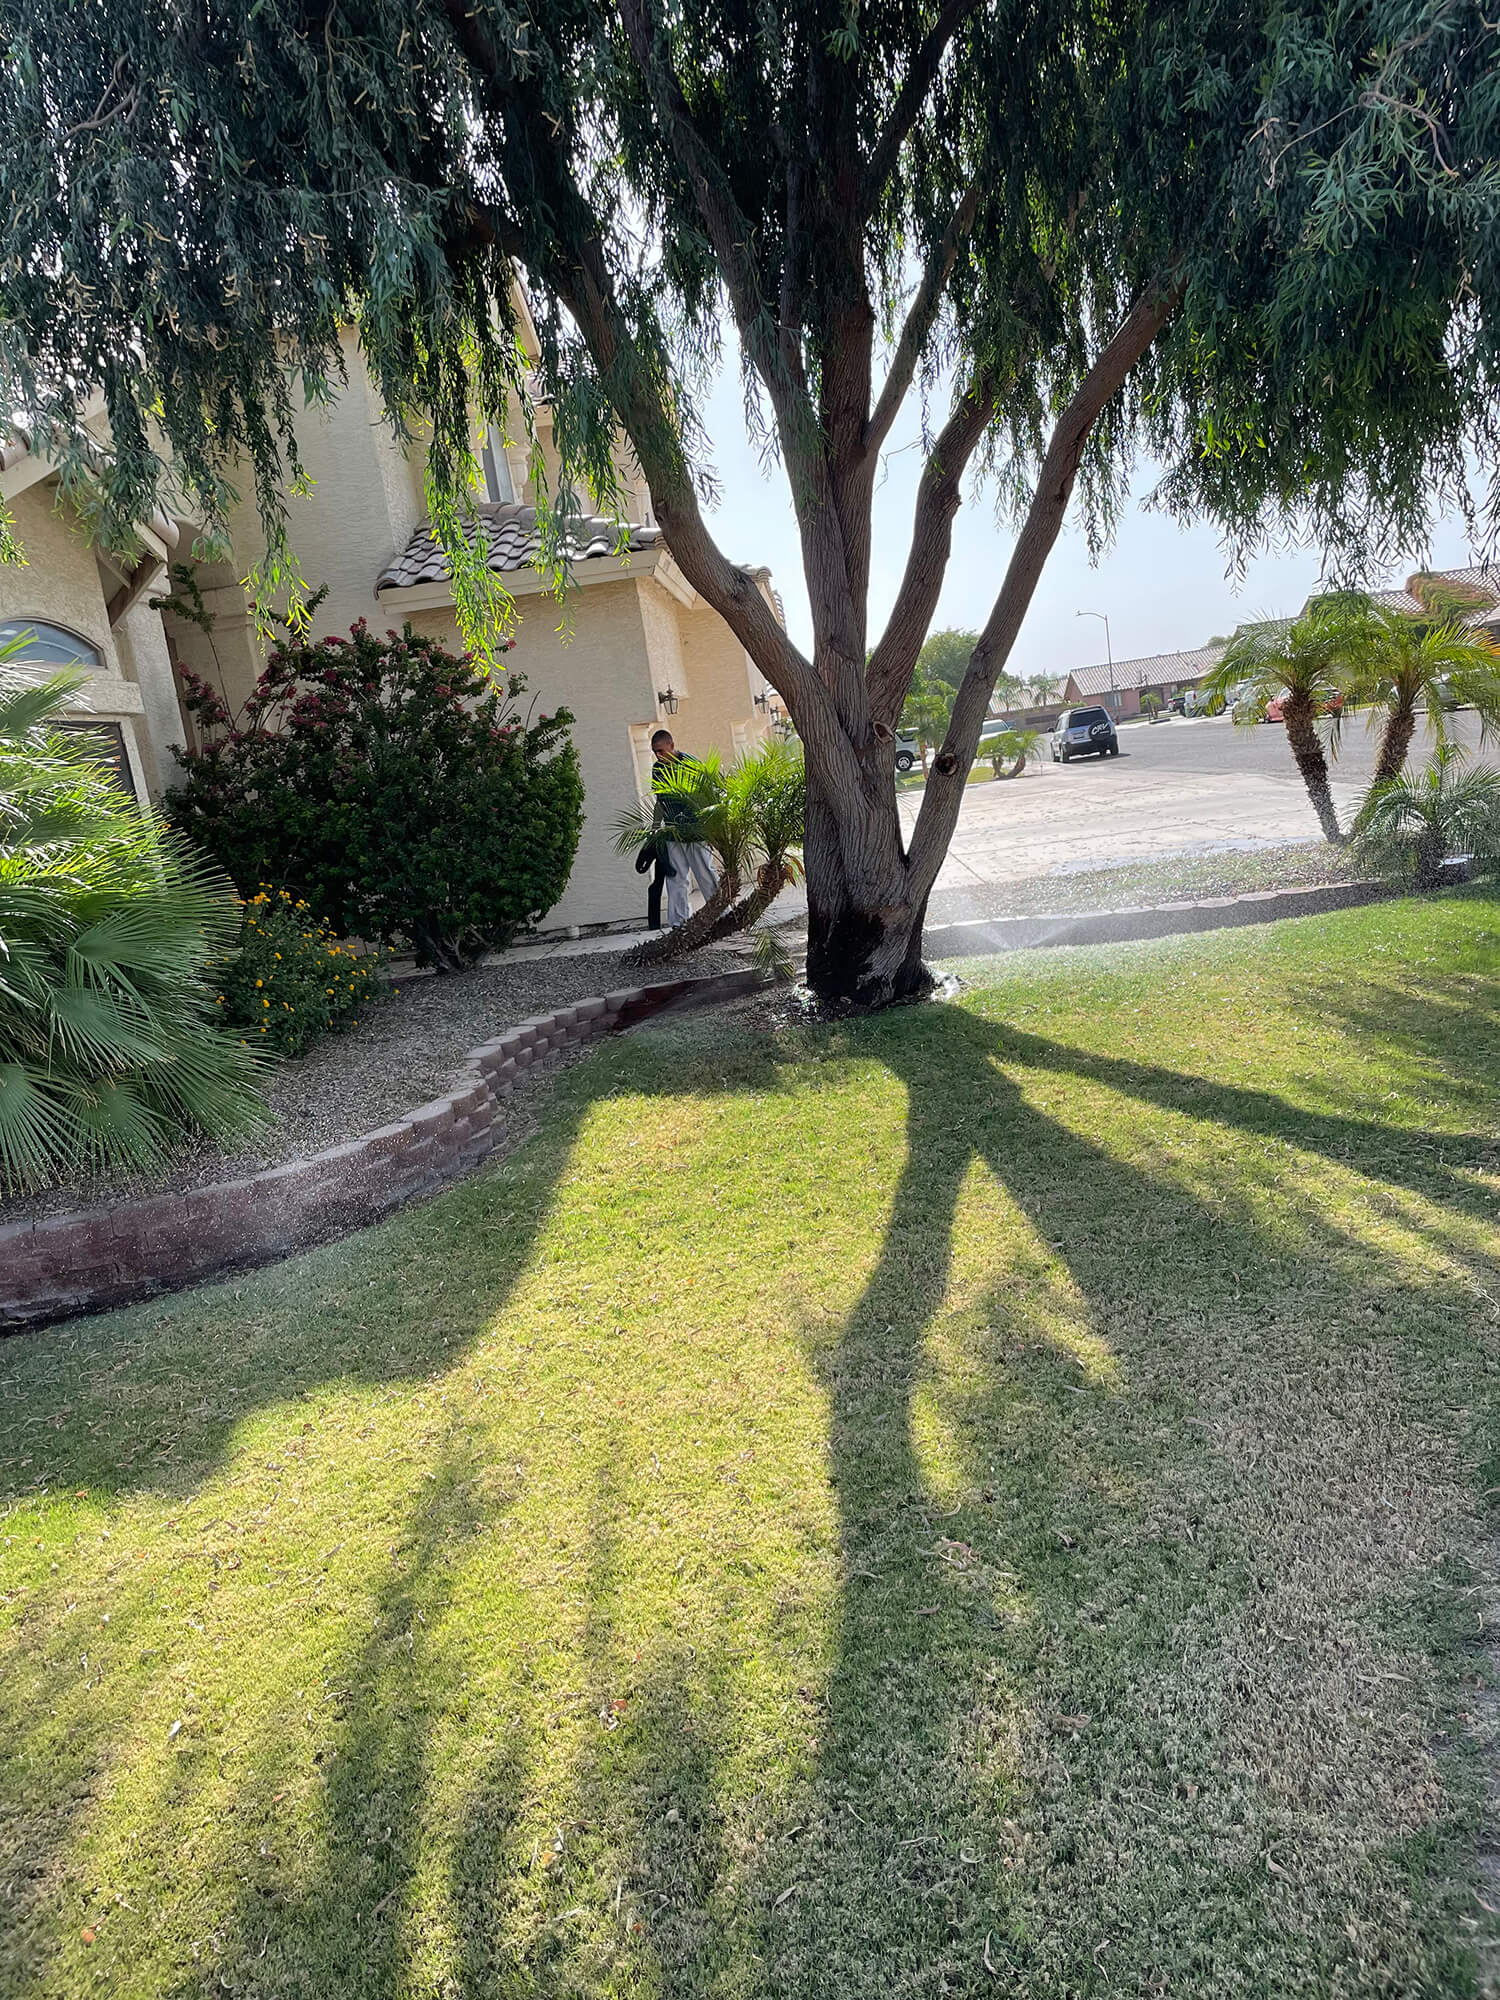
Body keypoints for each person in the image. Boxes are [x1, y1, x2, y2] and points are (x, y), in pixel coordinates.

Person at [650, 728, 719, 926]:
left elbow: (707, 798)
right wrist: (655, 830)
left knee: (706, 875)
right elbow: (660, 801)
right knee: (676, 880)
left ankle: (721, 916)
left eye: (661, 750)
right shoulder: (657, 769)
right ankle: (678, 923)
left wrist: (712, 831)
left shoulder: (691, 764)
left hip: (695, 832)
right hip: (672, 833)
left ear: (672, 745)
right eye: (655, 751)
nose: (658, 755)